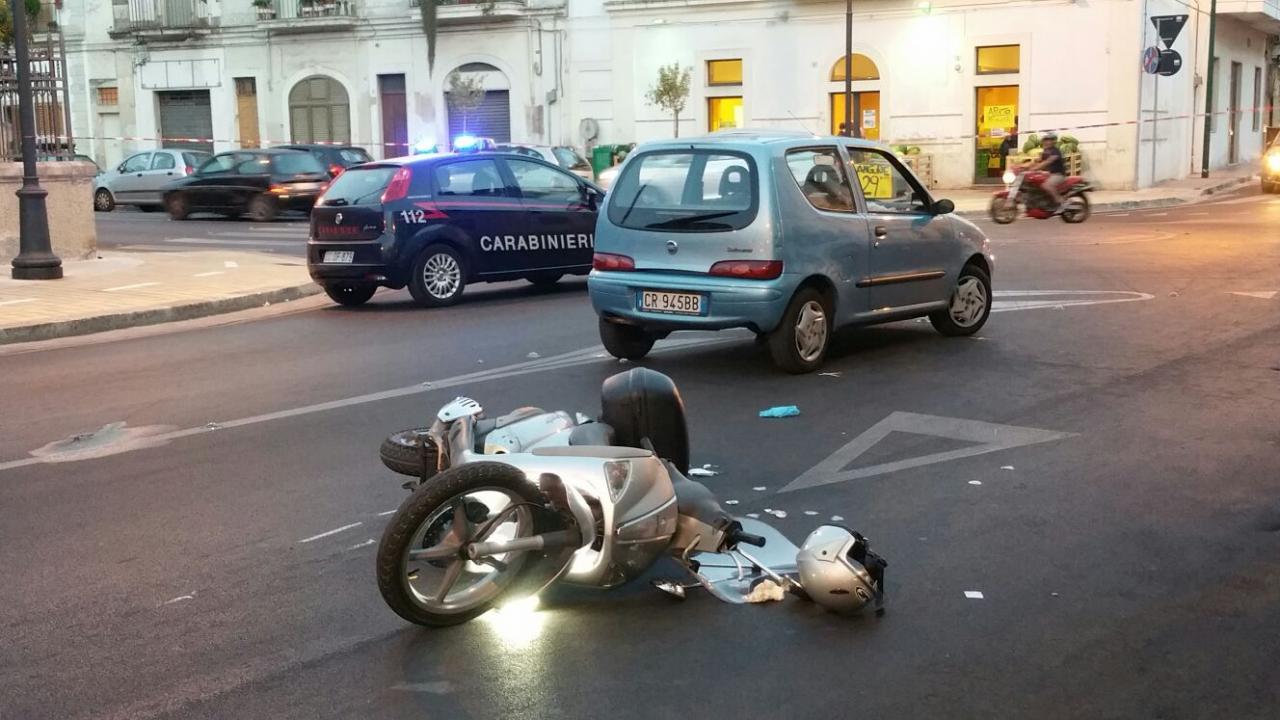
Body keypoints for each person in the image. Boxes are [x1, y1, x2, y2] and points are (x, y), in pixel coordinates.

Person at [1030, 132, 1068, 212]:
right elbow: (1038, 160)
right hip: (1050, 174)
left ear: (1054, 141)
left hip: (1058, 175)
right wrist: (1023, 166)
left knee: (1047, 185)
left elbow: (1047, 162)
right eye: (1045, 140)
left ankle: (1061, 203)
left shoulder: (1055, 151)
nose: (1047, 142)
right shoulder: (1046, 151)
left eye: (1050, 140)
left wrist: (1035, 168)